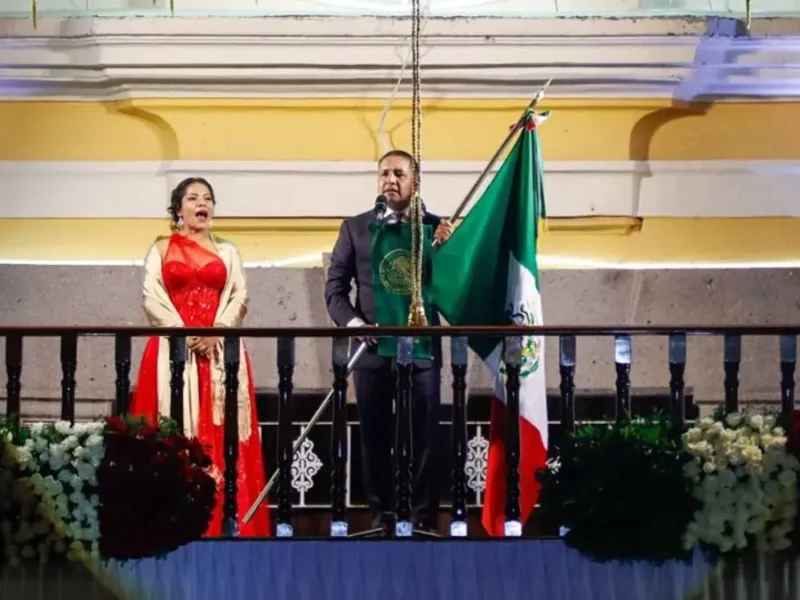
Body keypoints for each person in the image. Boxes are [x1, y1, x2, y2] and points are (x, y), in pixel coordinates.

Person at [130, 177, 271, 538]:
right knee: (172, 432)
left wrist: (216, 332)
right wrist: (183, 334)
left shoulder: (228, 253)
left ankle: (228, 525)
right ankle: (169, 525)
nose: (201, 204)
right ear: (179, 208)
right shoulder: (161, 249)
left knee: (223, 437)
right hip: (173, 352)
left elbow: (240, 296)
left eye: (207, 198)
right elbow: (151, 297)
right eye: (193, 198)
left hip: (221, 353)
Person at [324, 150, 454, 533]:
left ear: (415, 181)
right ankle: (381, 518)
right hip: (371, 349)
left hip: (421, 349)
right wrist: (354, 323)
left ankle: (422, 519)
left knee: (425, 437)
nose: (390, 180)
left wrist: (448, 251)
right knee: (374, 436)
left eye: (399, 173)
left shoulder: (435, 228)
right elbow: (334, 289)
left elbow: (450, 287)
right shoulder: (356, 228)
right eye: (384, 173)